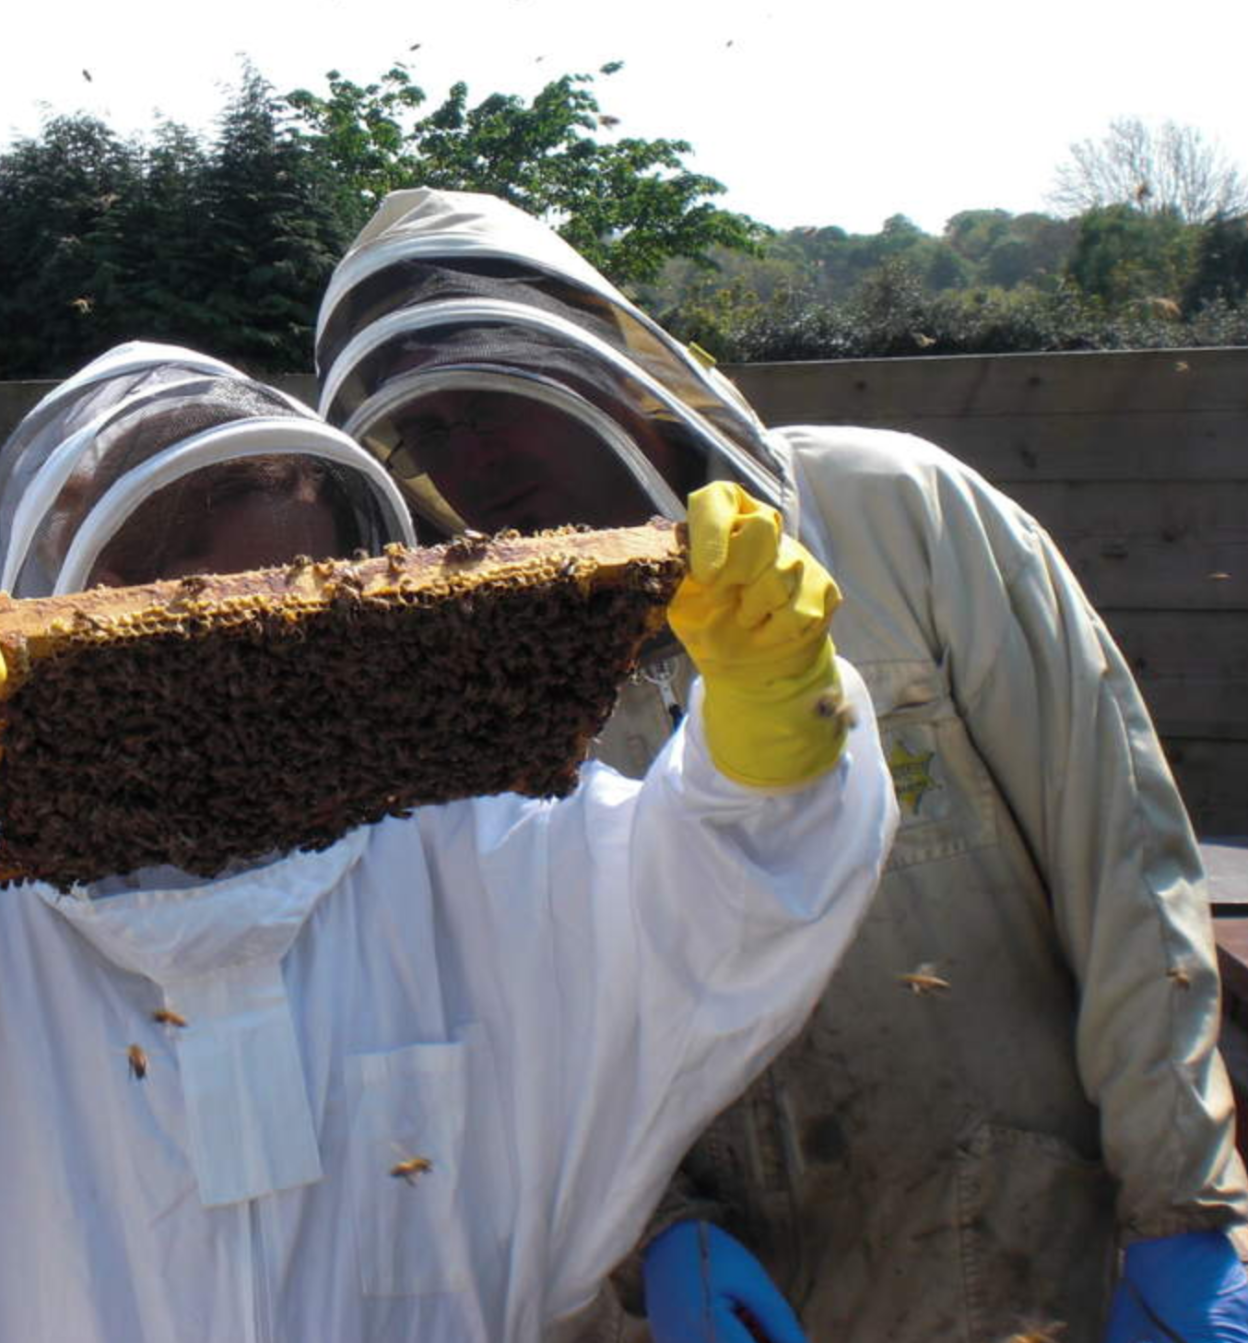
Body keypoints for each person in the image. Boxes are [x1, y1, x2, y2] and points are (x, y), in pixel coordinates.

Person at [0, 341, 894, 1343]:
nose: (253, 668)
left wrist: (774, 719)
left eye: (294, 617)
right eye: (188, 626)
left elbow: (725, 896)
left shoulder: (463, 858)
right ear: (63, 612)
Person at [313, 190, 1248, 1343]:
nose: (476, 458)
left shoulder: (905, 515)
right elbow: (513, 1001)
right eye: (435, 431)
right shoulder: (481, 672)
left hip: (1043, 1257)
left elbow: (1122, 861)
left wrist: (1181, 1205)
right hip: (737, 1293)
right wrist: (652, 1232)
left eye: (498, 398)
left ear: (605, 363)